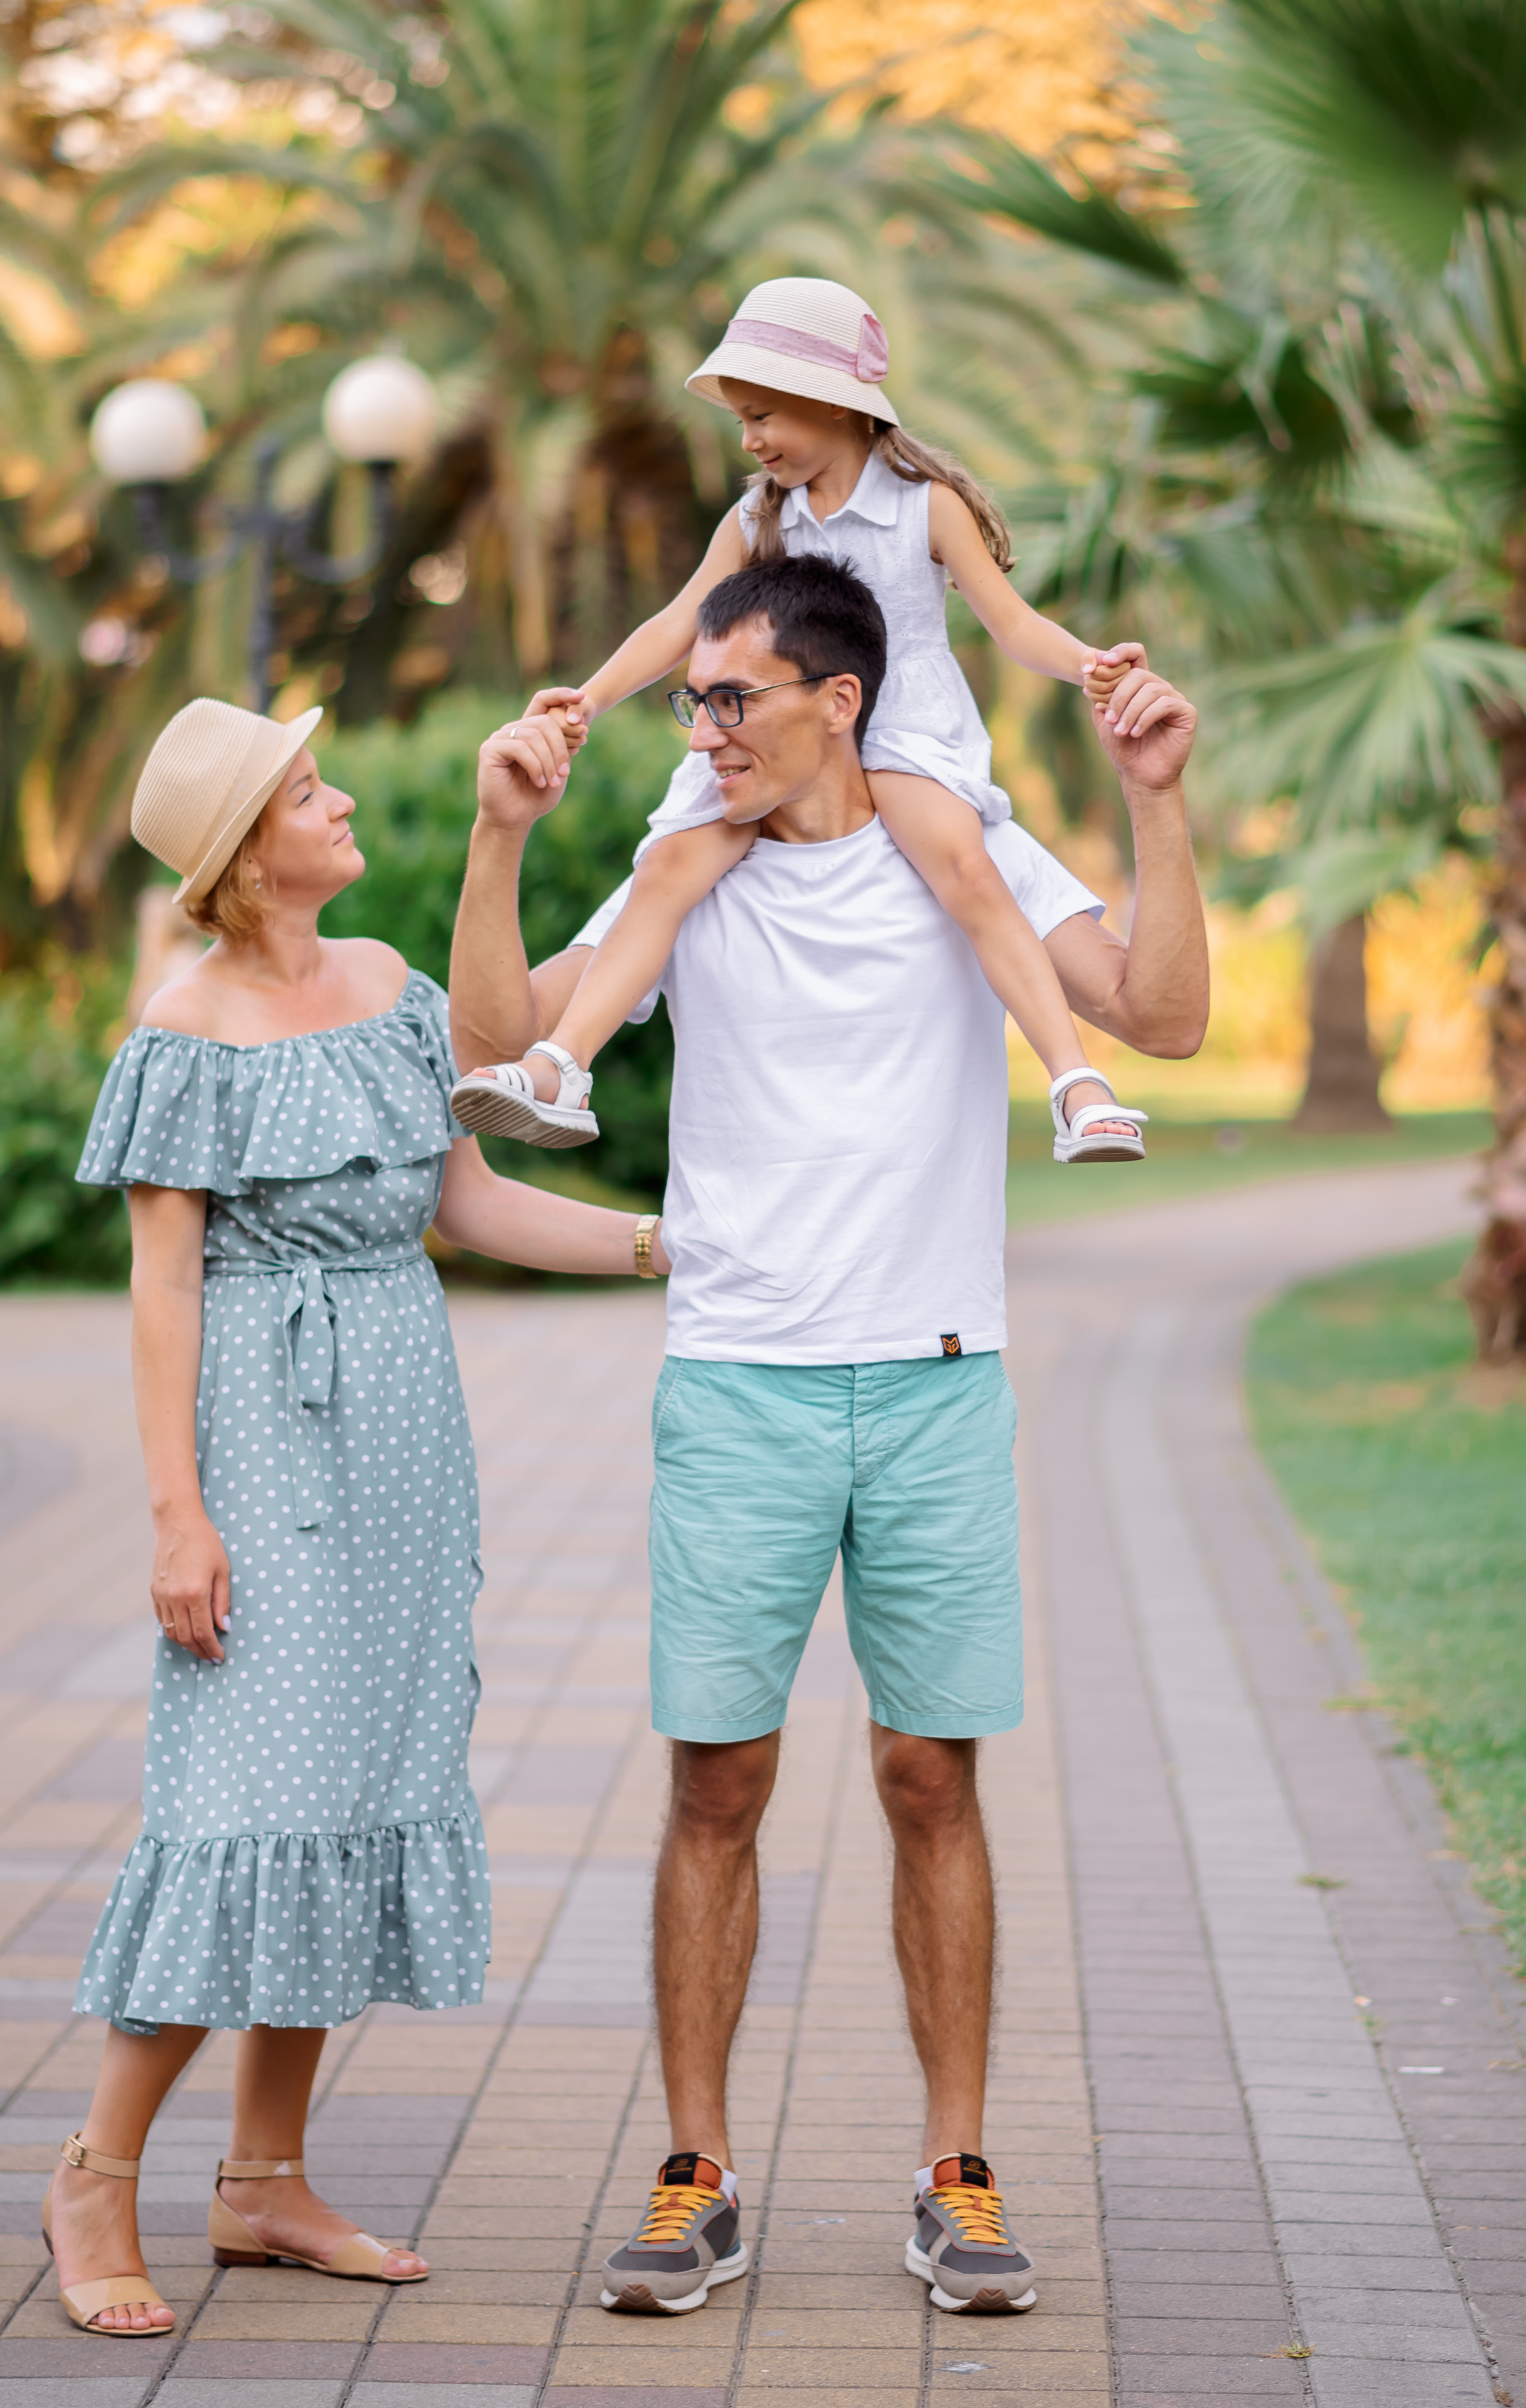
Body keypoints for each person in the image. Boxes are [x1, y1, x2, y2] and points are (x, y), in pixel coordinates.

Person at [449, 554, 1206, 2318]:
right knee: (717, 1781)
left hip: (938, 1378)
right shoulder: (685, 869)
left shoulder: (960, 847)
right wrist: (498, 844)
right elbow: (500, 1044)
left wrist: (1155, 806)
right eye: (693, 698)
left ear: (837, 699)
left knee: (930, 1776)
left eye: (730, 698)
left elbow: (1160, 1014)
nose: (699, 729)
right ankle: (695, 2166)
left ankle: (957, 2164)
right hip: (739, 1382)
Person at [43, 698, 674, 2337]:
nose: (336, 801)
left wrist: (663, 1246)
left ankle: (264, 2182)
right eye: (309, 790)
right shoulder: (179, 1035)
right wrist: (178, 1516)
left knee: (356, 1788)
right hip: (258, 1442)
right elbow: (160, 1291)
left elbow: (463, 1202)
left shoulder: (393, 986)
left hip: (402, 1435)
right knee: (244, 1805)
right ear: (251, 849)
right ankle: (96, 2174)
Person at [452, 274, 1161, 1167]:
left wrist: (1091, 667)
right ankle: (563, 1065)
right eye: (741, 421)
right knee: (668, 867)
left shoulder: (922, 508)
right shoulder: (760, 514)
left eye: (763, 417)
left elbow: (1011, 625)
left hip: (895, 730)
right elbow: (680, 621)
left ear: (837, 406)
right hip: (769, 733)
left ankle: (1076, 1083)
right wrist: (587, 696)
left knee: (965, 868)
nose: (748, 440)